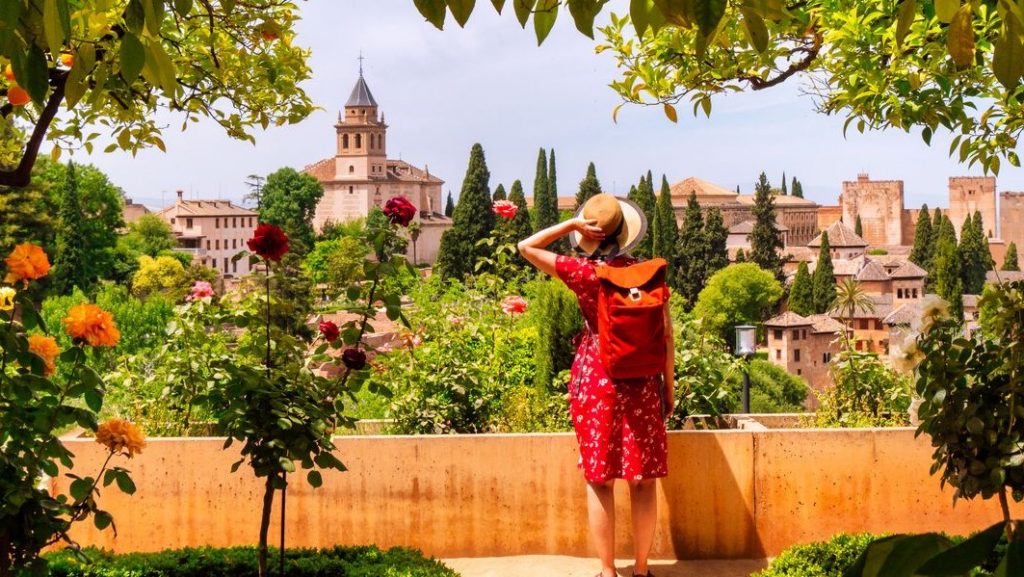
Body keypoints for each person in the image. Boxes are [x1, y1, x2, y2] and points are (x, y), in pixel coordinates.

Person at [517, 193, 674, 577]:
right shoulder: (649, 274)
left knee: (600, 480)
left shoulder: (584, 274)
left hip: (597, 379)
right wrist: (667, 387)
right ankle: (641, 570)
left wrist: (571, 225)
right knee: (642, 480)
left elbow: (526, 246)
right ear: (625, 232)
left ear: (589, 233)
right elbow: (667, 335)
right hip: (641, 382)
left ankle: (607, 572)